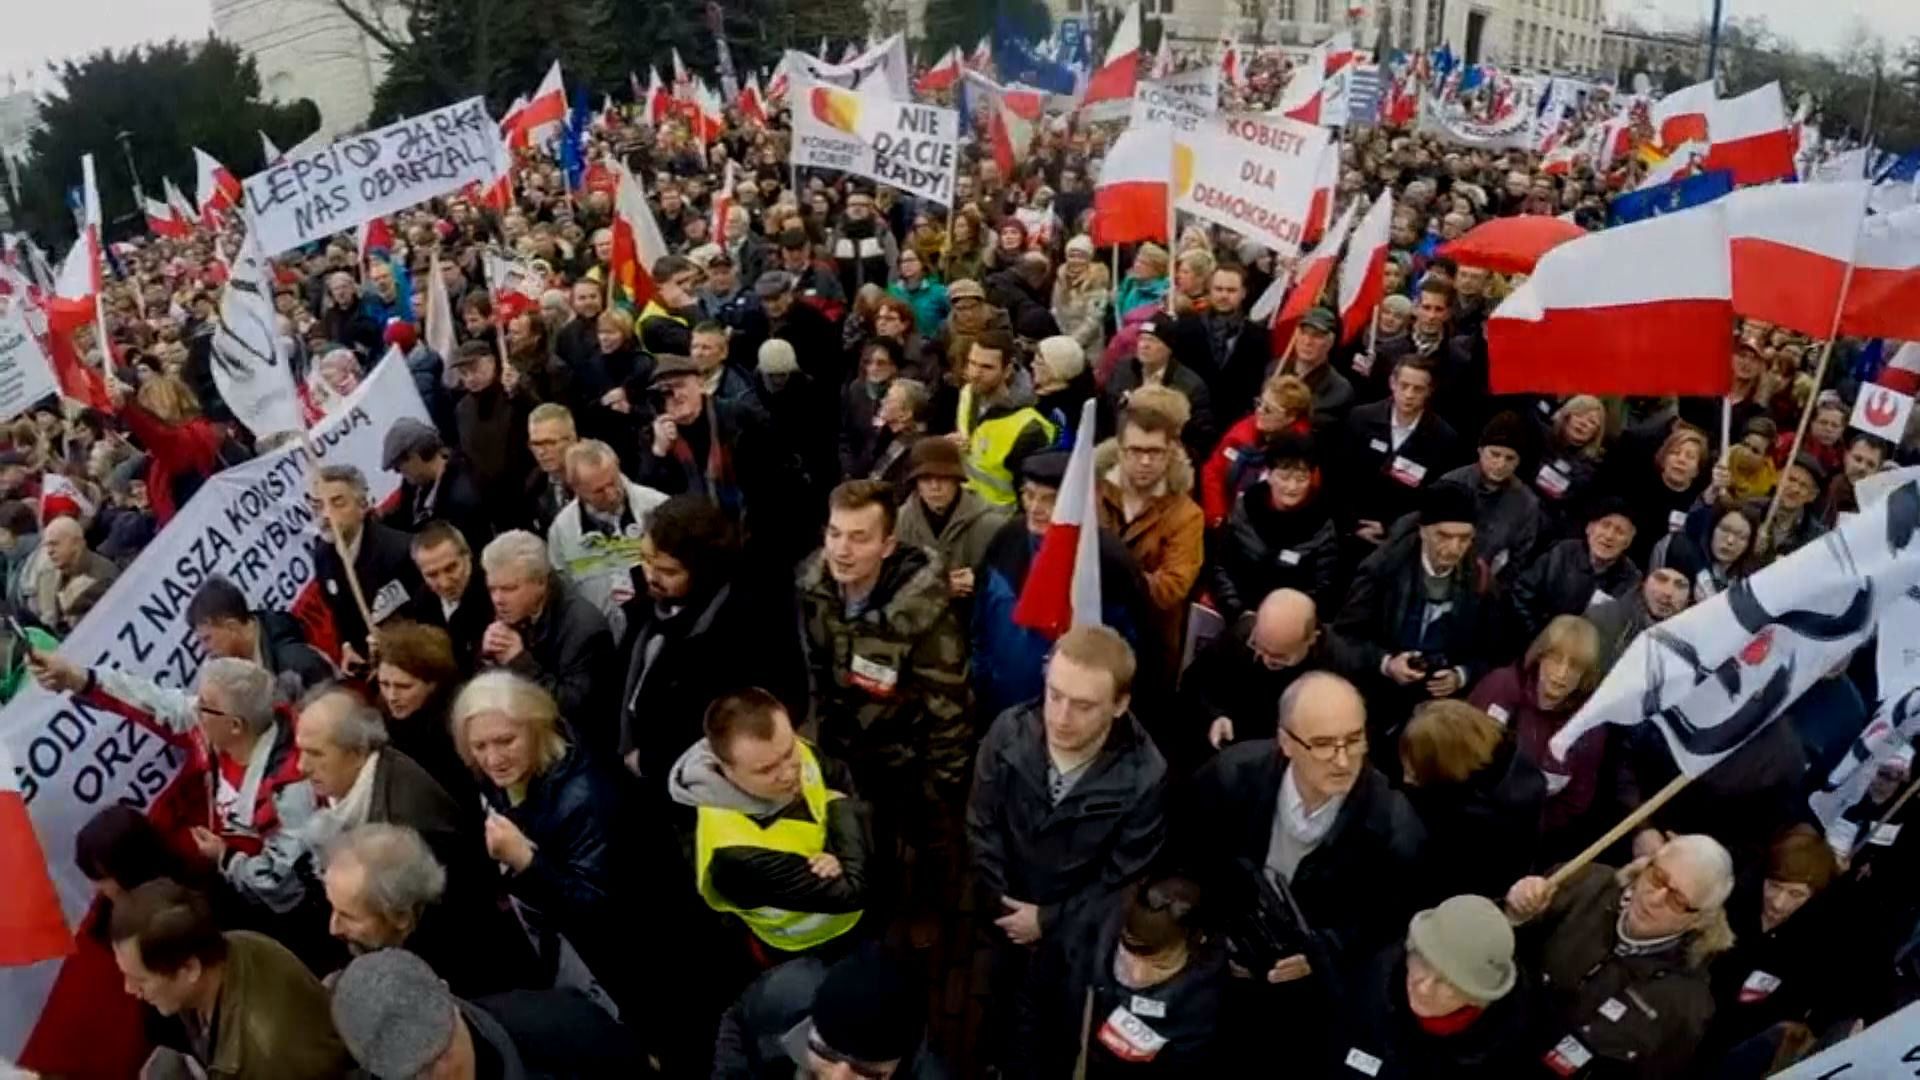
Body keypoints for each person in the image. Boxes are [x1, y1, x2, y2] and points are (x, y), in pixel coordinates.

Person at [1175, 673, 1426, 1047]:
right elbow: (1187, 859)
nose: (1343, 761)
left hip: (1310, 1004)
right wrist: (1207, 934)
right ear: (1286, 742)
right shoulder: (1230, 777)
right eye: (1323, 744)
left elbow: (1390, 924)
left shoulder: (1394, 828)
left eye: (1354, 740)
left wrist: (1322, 952)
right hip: (1212, 973)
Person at [967, 628, 1169, 1057]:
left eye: (1083, 705)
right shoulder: (1008, 733)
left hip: (1077, 943)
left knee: (1051, 1034)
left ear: (1120, 704)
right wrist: (1005, 908)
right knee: (994, 1007)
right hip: (1003, 918)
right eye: (1054, 695)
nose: (1060, 717)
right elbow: (981, 825)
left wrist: (1049, 921)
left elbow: (1124, 880)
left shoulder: (1144, 777)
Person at [797, 480, 971, 928]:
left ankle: (932, 915)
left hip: (908, 760)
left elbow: (947, 706)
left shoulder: (922, 616)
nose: (842, 550)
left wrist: (943, 782)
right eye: (835, 533)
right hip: (846, 751)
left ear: (887, 544)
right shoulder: (815, 593)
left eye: (859, 537)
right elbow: (813, 672)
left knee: (929, 846)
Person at [32, 653, 317, 913]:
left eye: (205, 705)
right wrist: (76, 677)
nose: (194, 708)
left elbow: (286, 883)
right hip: (234, 888)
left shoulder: (290, 791)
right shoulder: (211, 730)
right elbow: (151, 700)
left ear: (235, 726)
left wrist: (226, 858)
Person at [450, 671, 640, 1013]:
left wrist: (526, 862)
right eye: (479, 746)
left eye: (506, 741)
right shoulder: (509, 775)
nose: (493, 759)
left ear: (538, 727)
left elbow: (600, 913)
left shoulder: (588, 798)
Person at [1506, 834, 1736, 1078]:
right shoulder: (1583, 883)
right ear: (1646, 865)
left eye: (1677, 900)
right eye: (1658, 878)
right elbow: (1498, 947)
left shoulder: (1686, 1006)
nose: (1655, 899)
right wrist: (1516, 912)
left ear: (1697, 920)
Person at [617, 495, 807, 784]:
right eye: (645, 559)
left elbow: (728, 727)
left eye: (669, 571)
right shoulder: (651, 601)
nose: (650, 576)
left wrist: (652, 761)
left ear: (704, 571)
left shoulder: (746, 631)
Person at [670, 687, 870, 958]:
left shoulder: (775, 747)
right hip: (811, 946)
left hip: (849, 910)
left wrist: (838, 853)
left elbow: (838, 772)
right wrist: (840, 809)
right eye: (766, 770)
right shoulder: (734, 852)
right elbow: (850, 890)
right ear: (725, 769)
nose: (789, 774)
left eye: (789, 753)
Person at [972, 450, 1155, 720]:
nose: (1035, 508)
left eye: (1050, 499)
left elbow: (1134, 652)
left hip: (1072, 716)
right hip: (1000, 709)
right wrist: (982, 677)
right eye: (1029, 495)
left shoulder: (1109, 563)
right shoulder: (1007, 539)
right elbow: (980, 619)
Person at [108, 879, 351, 1080]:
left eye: (140, 979)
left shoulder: (259, 1059)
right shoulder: (235, 944)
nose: (129, 989)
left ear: (190, 969)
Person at [1010, 877, 1227, 1077]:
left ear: (1193, 949)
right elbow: (1032, 1005)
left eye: (1160, 965)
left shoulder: (1203, 1005)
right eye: (1128, 952)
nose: (1135, 973)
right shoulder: (1084, 933)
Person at [328, 947, 646, 1079]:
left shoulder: (568, 1031)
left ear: (446, 991)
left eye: (439, 1050)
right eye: (414, 1075)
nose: (436, 1076)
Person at [1334, 483, 1496, 740]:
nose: (1454, 548)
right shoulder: (1382, 571)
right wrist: (1386, 664)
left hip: (1438, 705)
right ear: (1423, 531)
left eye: (1464, 538)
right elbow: (1343, 639)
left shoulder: (1480, 580)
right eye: (1444, 536)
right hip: (1377, 694)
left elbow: (1492, 650)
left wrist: (1461, 675)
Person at [319, 822, 538, 999]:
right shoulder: (387, 920)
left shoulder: (461, 977)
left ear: (401, 917)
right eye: (333, 908)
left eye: (349, 916)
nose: (333, 928)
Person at [1336, 895, 1537, 1078]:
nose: (1423, 987)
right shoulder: (1369, 981)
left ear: (1477, 997)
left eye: (1449, 982)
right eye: (1422, 960)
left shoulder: (1515, 1043)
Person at [1701, 824, 1842, 1068]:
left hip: (1740, 1047)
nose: (1777, 903)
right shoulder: (1731, 904)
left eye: (1795, 894)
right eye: (1774, 886)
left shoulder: (1816, 942)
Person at [712, 947, 947, 1079]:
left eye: (866, 1071)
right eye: (825, 1052)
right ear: (810, 1025)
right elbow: (739, 1020)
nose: (837, 1079)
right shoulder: (783, 993)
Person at [477, 529, 615, 752]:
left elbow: (574, 709)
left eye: (509, 589)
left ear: (541, 583)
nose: (498, 599)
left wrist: (520, 662)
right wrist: (488, 658)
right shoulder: (508, 612)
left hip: (580, 751)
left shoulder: (584, 629)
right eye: (492, 589)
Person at [1398, 700, 1547, 902]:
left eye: (1416, 769)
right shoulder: (1521, 772)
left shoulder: (1462, 823)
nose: (1407, 778)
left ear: (1443, 764)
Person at [1098, 400, 1206, 675]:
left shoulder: (1186, 515)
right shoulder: (1092, 495)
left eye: (1155, 452)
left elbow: (1171, 588)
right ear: (1120, 451)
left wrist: (1110, 572)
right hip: (1090, 630)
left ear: (1170, 453)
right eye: (1136, 451)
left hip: (1149, 645)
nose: (1145, 461)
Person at [1206, 430, 1342, 621]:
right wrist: (1238, 611)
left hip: (1289, 623)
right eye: (1284, 478)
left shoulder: (1322, 524)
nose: (1292, 487)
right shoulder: (1246, 507)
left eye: (1301, 479)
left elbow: (1323, 587)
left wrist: (1281, 621)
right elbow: (1220, 565)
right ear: (1269, 475)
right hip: (1238, 616)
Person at [545, 439, 668, 642]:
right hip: (600, 641)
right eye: (599, 491)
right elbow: (563, 598)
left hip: (657, 633)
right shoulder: (562, 532)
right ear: (577, 489)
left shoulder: (657, 507)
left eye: (613, 482)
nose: (611, 494)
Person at [311, 464, 428, 675]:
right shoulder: (322, 555)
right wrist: (348, 647)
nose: (326, 515)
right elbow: (339, 610)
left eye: (337, 503)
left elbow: (422, 619)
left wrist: (390, 647)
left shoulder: (399, 553)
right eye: (318, 506)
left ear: (362, 506)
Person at [1339, 356, 1461, 547]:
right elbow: (1341, 477)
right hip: (1352, 533)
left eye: (1418, 389)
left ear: (1430, 391)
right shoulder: (1360, 419)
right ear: (1392, 383)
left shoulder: (1443, 438)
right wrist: (1353, 524)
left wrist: (1391, 528)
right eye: (1404, 385)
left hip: (1404, 541)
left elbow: (1434, 499)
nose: (1409, 394)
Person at [1509, 498, 1644, 647]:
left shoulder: (1631, 580)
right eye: (1605, 525)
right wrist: (1542, 639)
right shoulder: (1562, 552)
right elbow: (1522, 593)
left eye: (1620, 532)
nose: (1609, 536)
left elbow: (1618, 632)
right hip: (1535, 640)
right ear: (1589, 528)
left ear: (1628, 542)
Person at [893, 438, 1008, 606]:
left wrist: (980, 580)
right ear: (916, 483)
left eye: (943, 478)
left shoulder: (992, 525)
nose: (935, 487)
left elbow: (1012, 584)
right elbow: (888, 585)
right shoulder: (899, 523)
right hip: (915, 624)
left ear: (957, 480)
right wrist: (940, 588)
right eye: (925, 479)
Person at [185, 575, 335, 695]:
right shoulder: (235, 677)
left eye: (207, 638)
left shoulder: (296, 662)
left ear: (232, 627)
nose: (204, 649)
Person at [1199, 373, 1314, 527]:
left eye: (1269, 409)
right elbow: (1213, 472)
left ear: (1291, 417)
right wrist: (1217, 516)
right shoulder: (1242, 431)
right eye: (1259, 403)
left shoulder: (1300, 452)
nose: (1259, 411)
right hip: (1229, 519)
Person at [957, 330, 1054, 508]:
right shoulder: (968, 394)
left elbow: (1030, 498)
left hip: (1002, 521)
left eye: (986, 367)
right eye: (972, 363)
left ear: (1007, 370)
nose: (976, 373)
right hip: (968, 509)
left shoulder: (1029, 428)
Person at [1104, 316, 1218, 463]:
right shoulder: (1123, 371)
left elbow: (1202, 438)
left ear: (1169, 348)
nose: (1144, 345)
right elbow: (1106, 415)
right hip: (1122, 453)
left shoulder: (1189, 386)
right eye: (1142, 339)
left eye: (1153, 340)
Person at [1440, 412, 1539, 580]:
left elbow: (1519, 558)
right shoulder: (1450, 484)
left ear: (1518, 462)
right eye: (1495, 454)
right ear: (1480, 451)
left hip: (1485, 588)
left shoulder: (1527, 503)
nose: (1501, 464)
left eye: (1510, 458)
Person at [381, 416, 491, 550]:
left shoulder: (462, 499)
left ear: (415, 457)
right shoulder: (415, 486)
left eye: (399, 468)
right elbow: (402, 519)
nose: (400, 474)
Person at [404, 520, 492, 671]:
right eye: (432, 575)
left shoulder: (492, 593)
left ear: (467, 556)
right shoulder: (422, 601)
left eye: (451, 568)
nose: (444, 583)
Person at [27, 514, 116, 633]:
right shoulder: (50, 573)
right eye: (47, 545)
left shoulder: (104, 575)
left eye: (55, 544)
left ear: (77, 544)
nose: (49, 551)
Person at [1276, 307, 1355, 427]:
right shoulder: (1275, 369)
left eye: (1317, 336)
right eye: (1303, 333)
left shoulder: (1339, 390)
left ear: (1330, 342)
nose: (1307, 341)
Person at [521, 402, 578, 536]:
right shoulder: (534, 485)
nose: (541, 452)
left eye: (549, 443)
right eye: (535, 444)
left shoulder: (597, 475)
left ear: (572, 440)